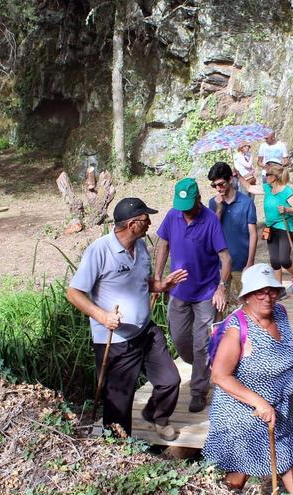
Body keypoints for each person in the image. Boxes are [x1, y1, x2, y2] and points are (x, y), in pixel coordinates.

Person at [66, 198, 188, 439]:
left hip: (146, 331)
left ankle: (157, 416)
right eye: (145, 219)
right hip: (116, 341)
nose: (150, 223)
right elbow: (73, 293)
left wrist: (160, 285)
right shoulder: (100, 250)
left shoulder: (140, 247)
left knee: (170, 380)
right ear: (132, 224)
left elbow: (142, 281)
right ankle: (119, 449)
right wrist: (102, 316)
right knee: (118, 404)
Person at [203, 263, 293, 494]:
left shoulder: (280, 313)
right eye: (260, 292)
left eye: (271, 291)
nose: (267, 297)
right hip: (243, 415)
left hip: (279, 410)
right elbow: (219, 375)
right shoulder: (237, 327)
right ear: (247, 296)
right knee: (238, 476)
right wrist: (259, 402)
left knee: (291, 461)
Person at [155, 178, 232, 413]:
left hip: (206, 292)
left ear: (198, 199)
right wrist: (158, 279)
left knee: (202, 343)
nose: (185, 211)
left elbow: (225, 258)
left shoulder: (210, 220)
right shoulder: (173, 215)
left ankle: (199, 391)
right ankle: (201, 364)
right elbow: (163, 245)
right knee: (179, 339)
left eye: (189, 205)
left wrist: (221, 287)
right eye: (182, 206)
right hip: (179, 290)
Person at [241, 162, 293, 293]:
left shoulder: (286, 190)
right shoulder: (267, 188)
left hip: (284, 226)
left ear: (274, 177)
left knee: (284, 260)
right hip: (269, 228)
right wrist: (238, 175)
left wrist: (287, 209)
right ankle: (279, 289)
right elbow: (249, 188)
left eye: (268, 174)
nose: (265, 177)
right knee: (274, 261)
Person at [208, 162, 258, 302]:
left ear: (230, 179)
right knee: (219, 305)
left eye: (221, 184)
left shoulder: (246, 202)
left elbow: (253, 234)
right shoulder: (213, 203)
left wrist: (250, 262)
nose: (218, 188)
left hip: (241, 264)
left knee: (246, 303)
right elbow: (212, 232)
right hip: (220, 264)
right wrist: (219, 210)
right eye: (214, 185)